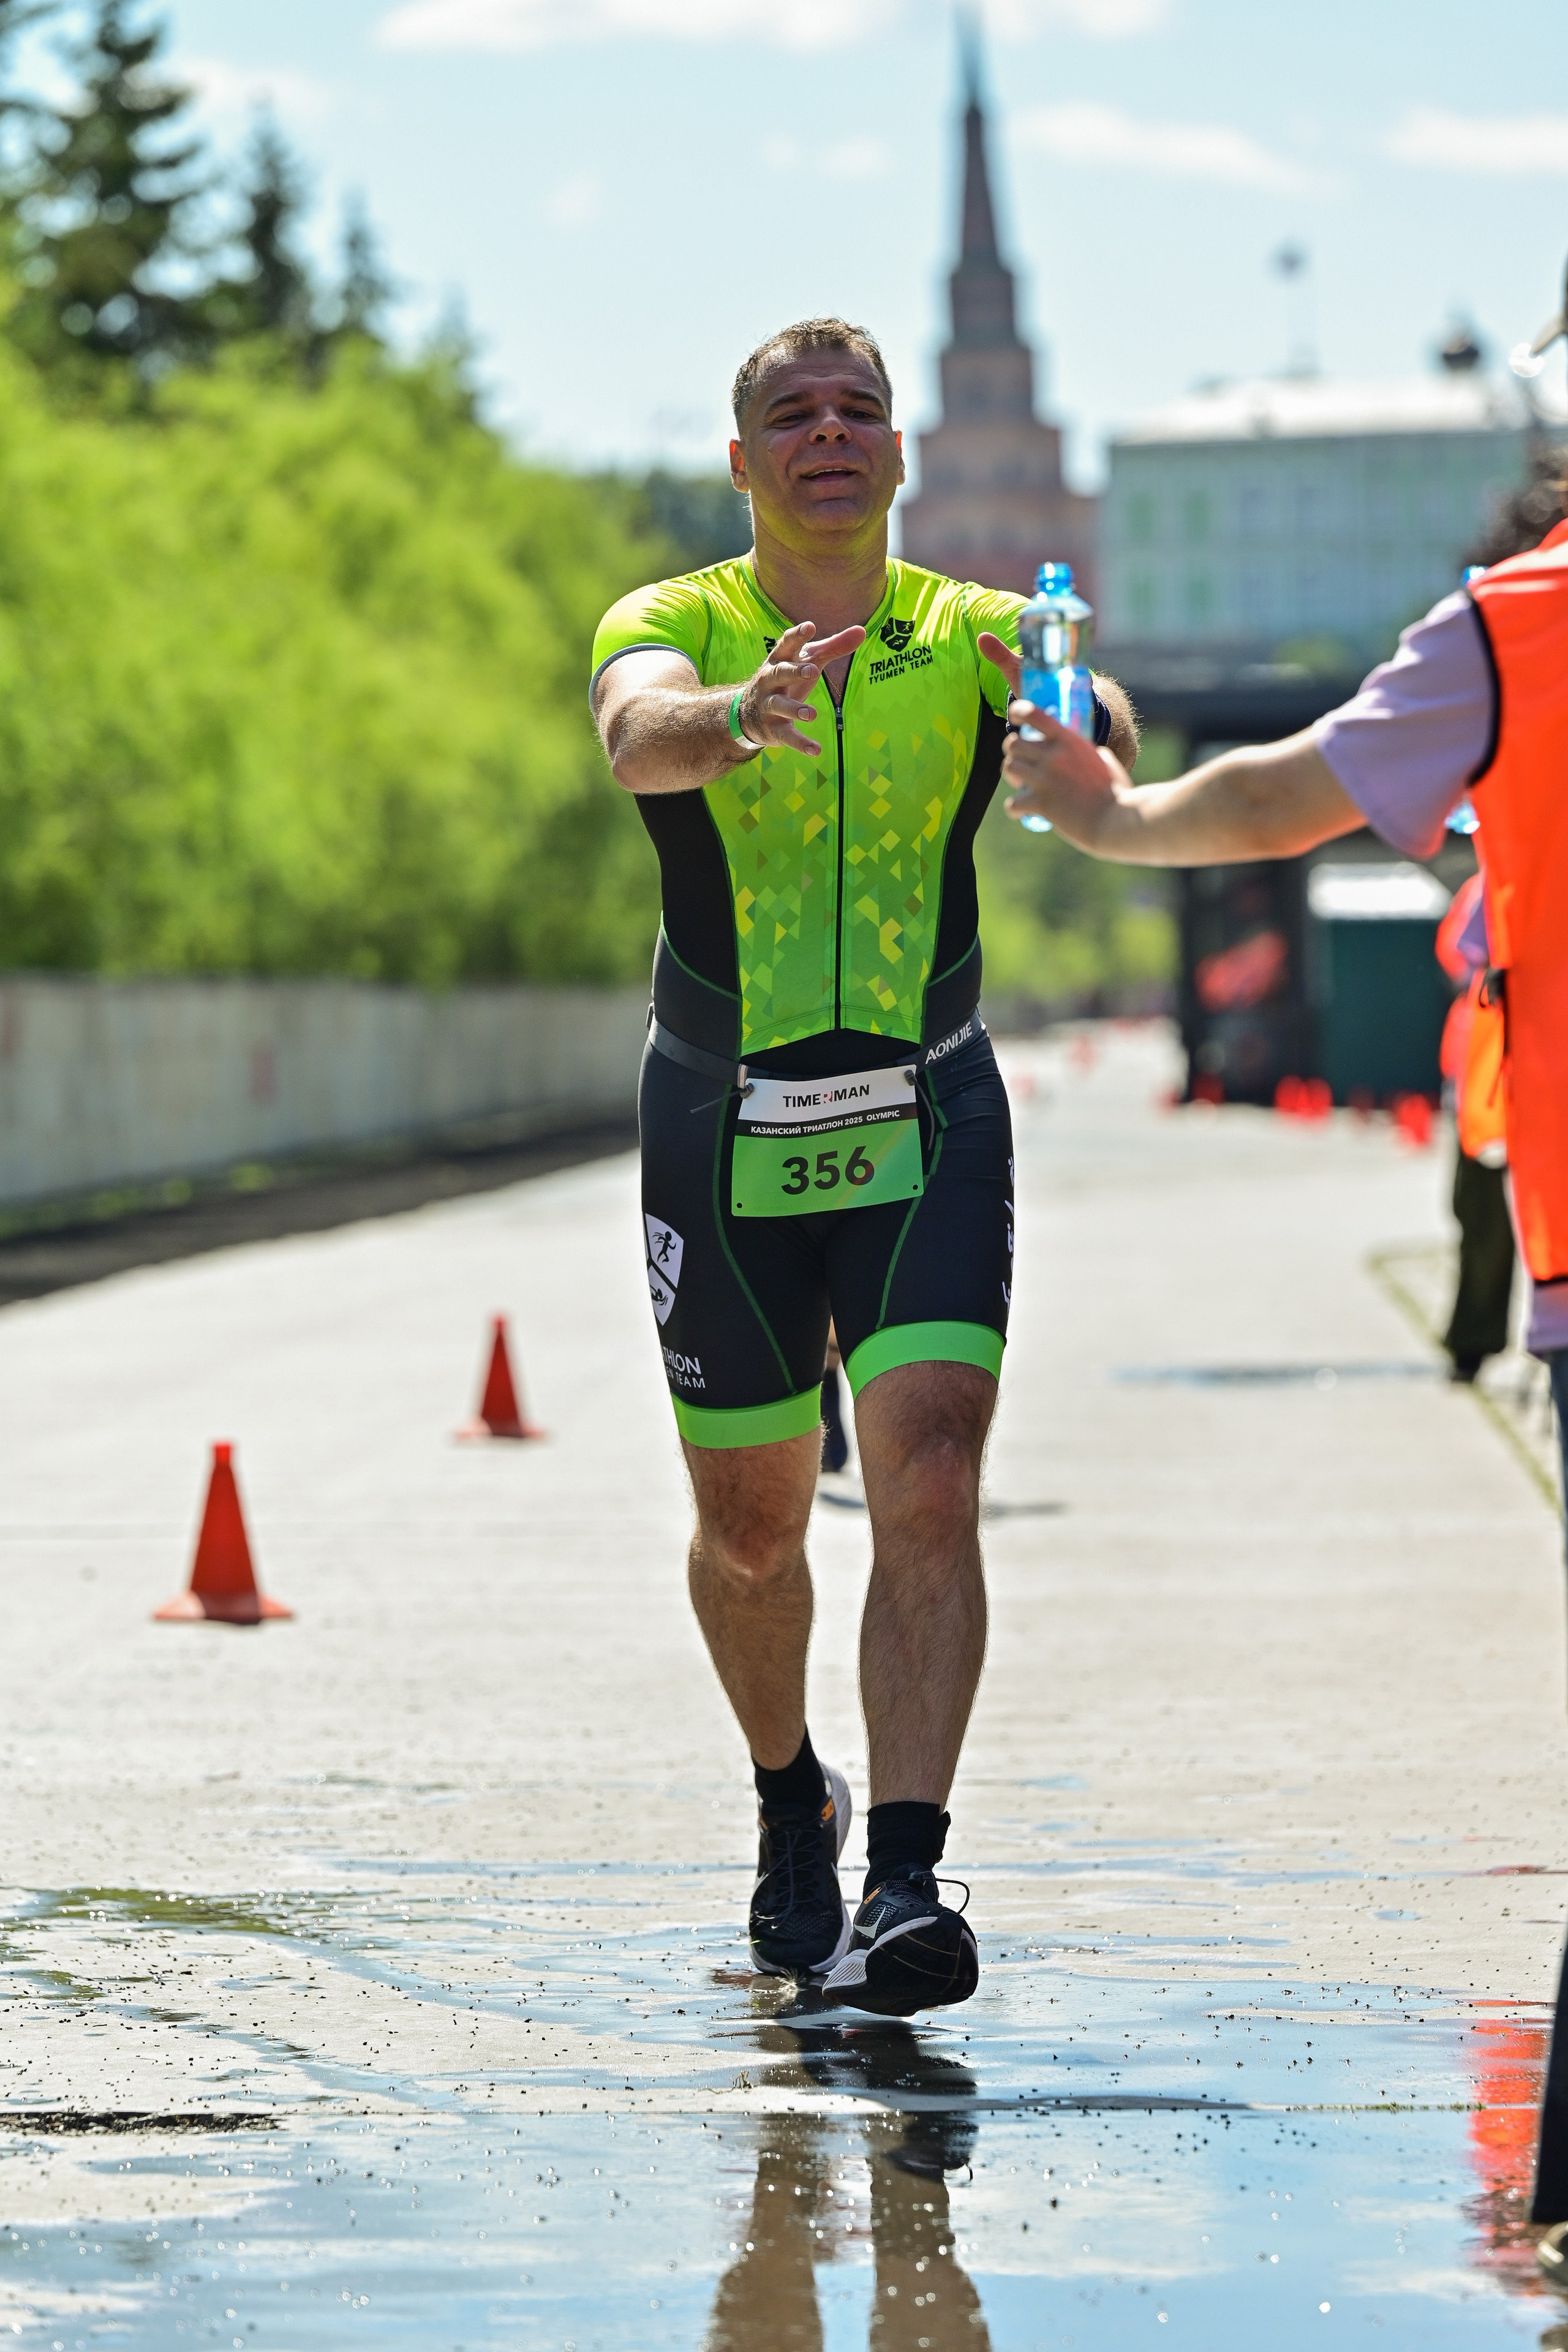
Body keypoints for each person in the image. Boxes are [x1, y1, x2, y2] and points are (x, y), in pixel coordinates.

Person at [590, 317, 1137, 2016]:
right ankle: (790, 1800)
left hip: (927, 1112)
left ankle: (904, 1876)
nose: (831, 434)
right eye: (791, 415)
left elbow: (1086, 711)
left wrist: (1075, 712)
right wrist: (737, 717)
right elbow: (636, 734)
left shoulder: (969, 629)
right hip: (722, 1121)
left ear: (901, 457)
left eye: (860, 412)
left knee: (932, 1476)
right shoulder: (675, 621)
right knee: (752, 1534)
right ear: (745, 462)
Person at [1434, 873, 1513, 1384]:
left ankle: (1475, 1342)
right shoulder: (1492, 882)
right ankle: (1473, 1341)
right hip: (1490, 1084)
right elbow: (1462, 957)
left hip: (1506, 1082)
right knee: (1482, 1218)